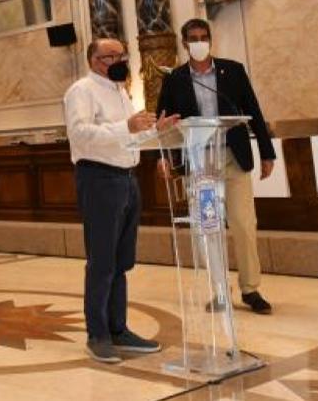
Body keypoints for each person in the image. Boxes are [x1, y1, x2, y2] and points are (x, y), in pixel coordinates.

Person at [64, 37, 179, 364]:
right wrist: (125, 126)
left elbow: (130, 135)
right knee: (101, 261)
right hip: (99, 178)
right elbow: (80, 134)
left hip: (127, 179)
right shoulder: (81, 91)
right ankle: (97, 334)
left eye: (121, 55)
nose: (118, 60)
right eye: (110, 56)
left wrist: (156, 129)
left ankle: (119, 329)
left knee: (121, 261)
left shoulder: (120, 91)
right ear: (93, 60)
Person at [156, 18, 276, 314]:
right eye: (193, 38)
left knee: (244, 224)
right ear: (185, 44)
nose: (199, 42)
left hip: (233, 157)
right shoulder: (175, 79)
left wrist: (267, 151)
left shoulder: (233, 70)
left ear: (210, 39)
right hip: (199, 164)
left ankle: (251, 289)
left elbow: (253, 111)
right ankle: (220, 291)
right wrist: (162, 156)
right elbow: (163, 122)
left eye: (203, 36)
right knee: (208, 228)